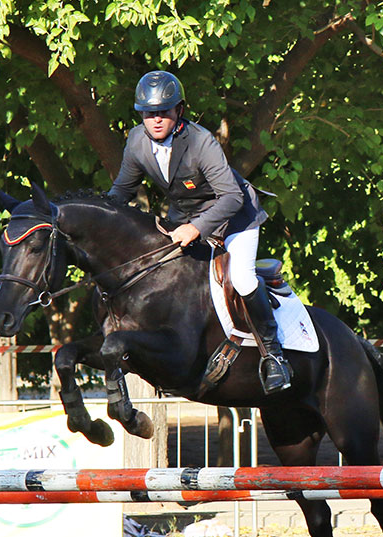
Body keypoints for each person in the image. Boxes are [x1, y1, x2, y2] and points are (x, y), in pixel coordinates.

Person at [107, 70, 291, 394]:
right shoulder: (136, 142)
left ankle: (274, 356)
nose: (156, 119)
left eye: (163, 111)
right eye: (149, 114)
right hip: (186, 214)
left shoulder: (201, 141)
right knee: (162, 273)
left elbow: (231, 196)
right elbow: (120, 192)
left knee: (244, 279)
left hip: (236, 217)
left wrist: (196, 228)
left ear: (178, 110)